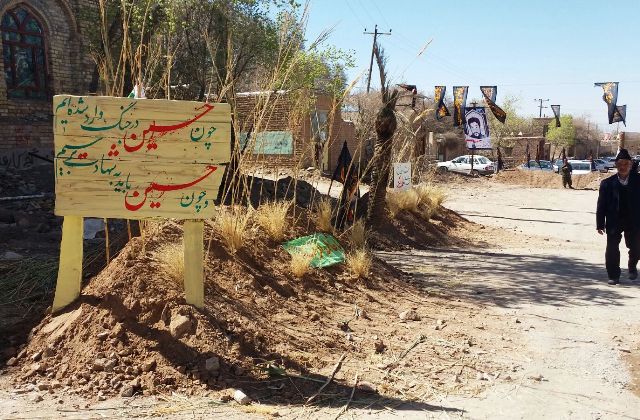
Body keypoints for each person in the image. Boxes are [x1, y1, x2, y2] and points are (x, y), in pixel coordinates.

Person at [596, 148, 640, 285]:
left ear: (631, 164)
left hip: (634, 220)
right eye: (620, 164)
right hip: (614, 220)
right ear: (616, 165)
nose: (623, 167)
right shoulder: (607, 184)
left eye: (625, 164)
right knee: (612, 248)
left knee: (637, 247)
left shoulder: (638, 181)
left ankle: (632, 266)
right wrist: (600, 224)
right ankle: (613, 275)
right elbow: (601, 205)